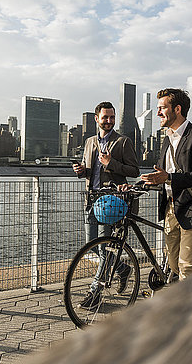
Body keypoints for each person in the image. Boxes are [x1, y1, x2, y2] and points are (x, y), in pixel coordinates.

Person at [141, 88, 192, 280]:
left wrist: (169, 178)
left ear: (177, 109)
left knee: (187, 269)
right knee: (173, 264)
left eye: (162, 108)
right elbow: (162, 174)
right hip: (170, 208)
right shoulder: (167, 139)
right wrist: (142, 184)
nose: (158, 113)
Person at [73, 101, 139, 308]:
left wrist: (111, 164)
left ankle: (94, 292)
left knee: (103, 248)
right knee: (91, 244)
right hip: (91, 200)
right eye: (105, 117)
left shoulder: (123, 142)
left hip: (111, 203)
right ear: (97, 119)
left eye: (112, 117)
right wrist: (81, 171)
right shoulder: (90, 141)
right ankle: (122, 268)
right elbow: (91, 171)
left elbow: (134, 171)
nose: (109, 121)